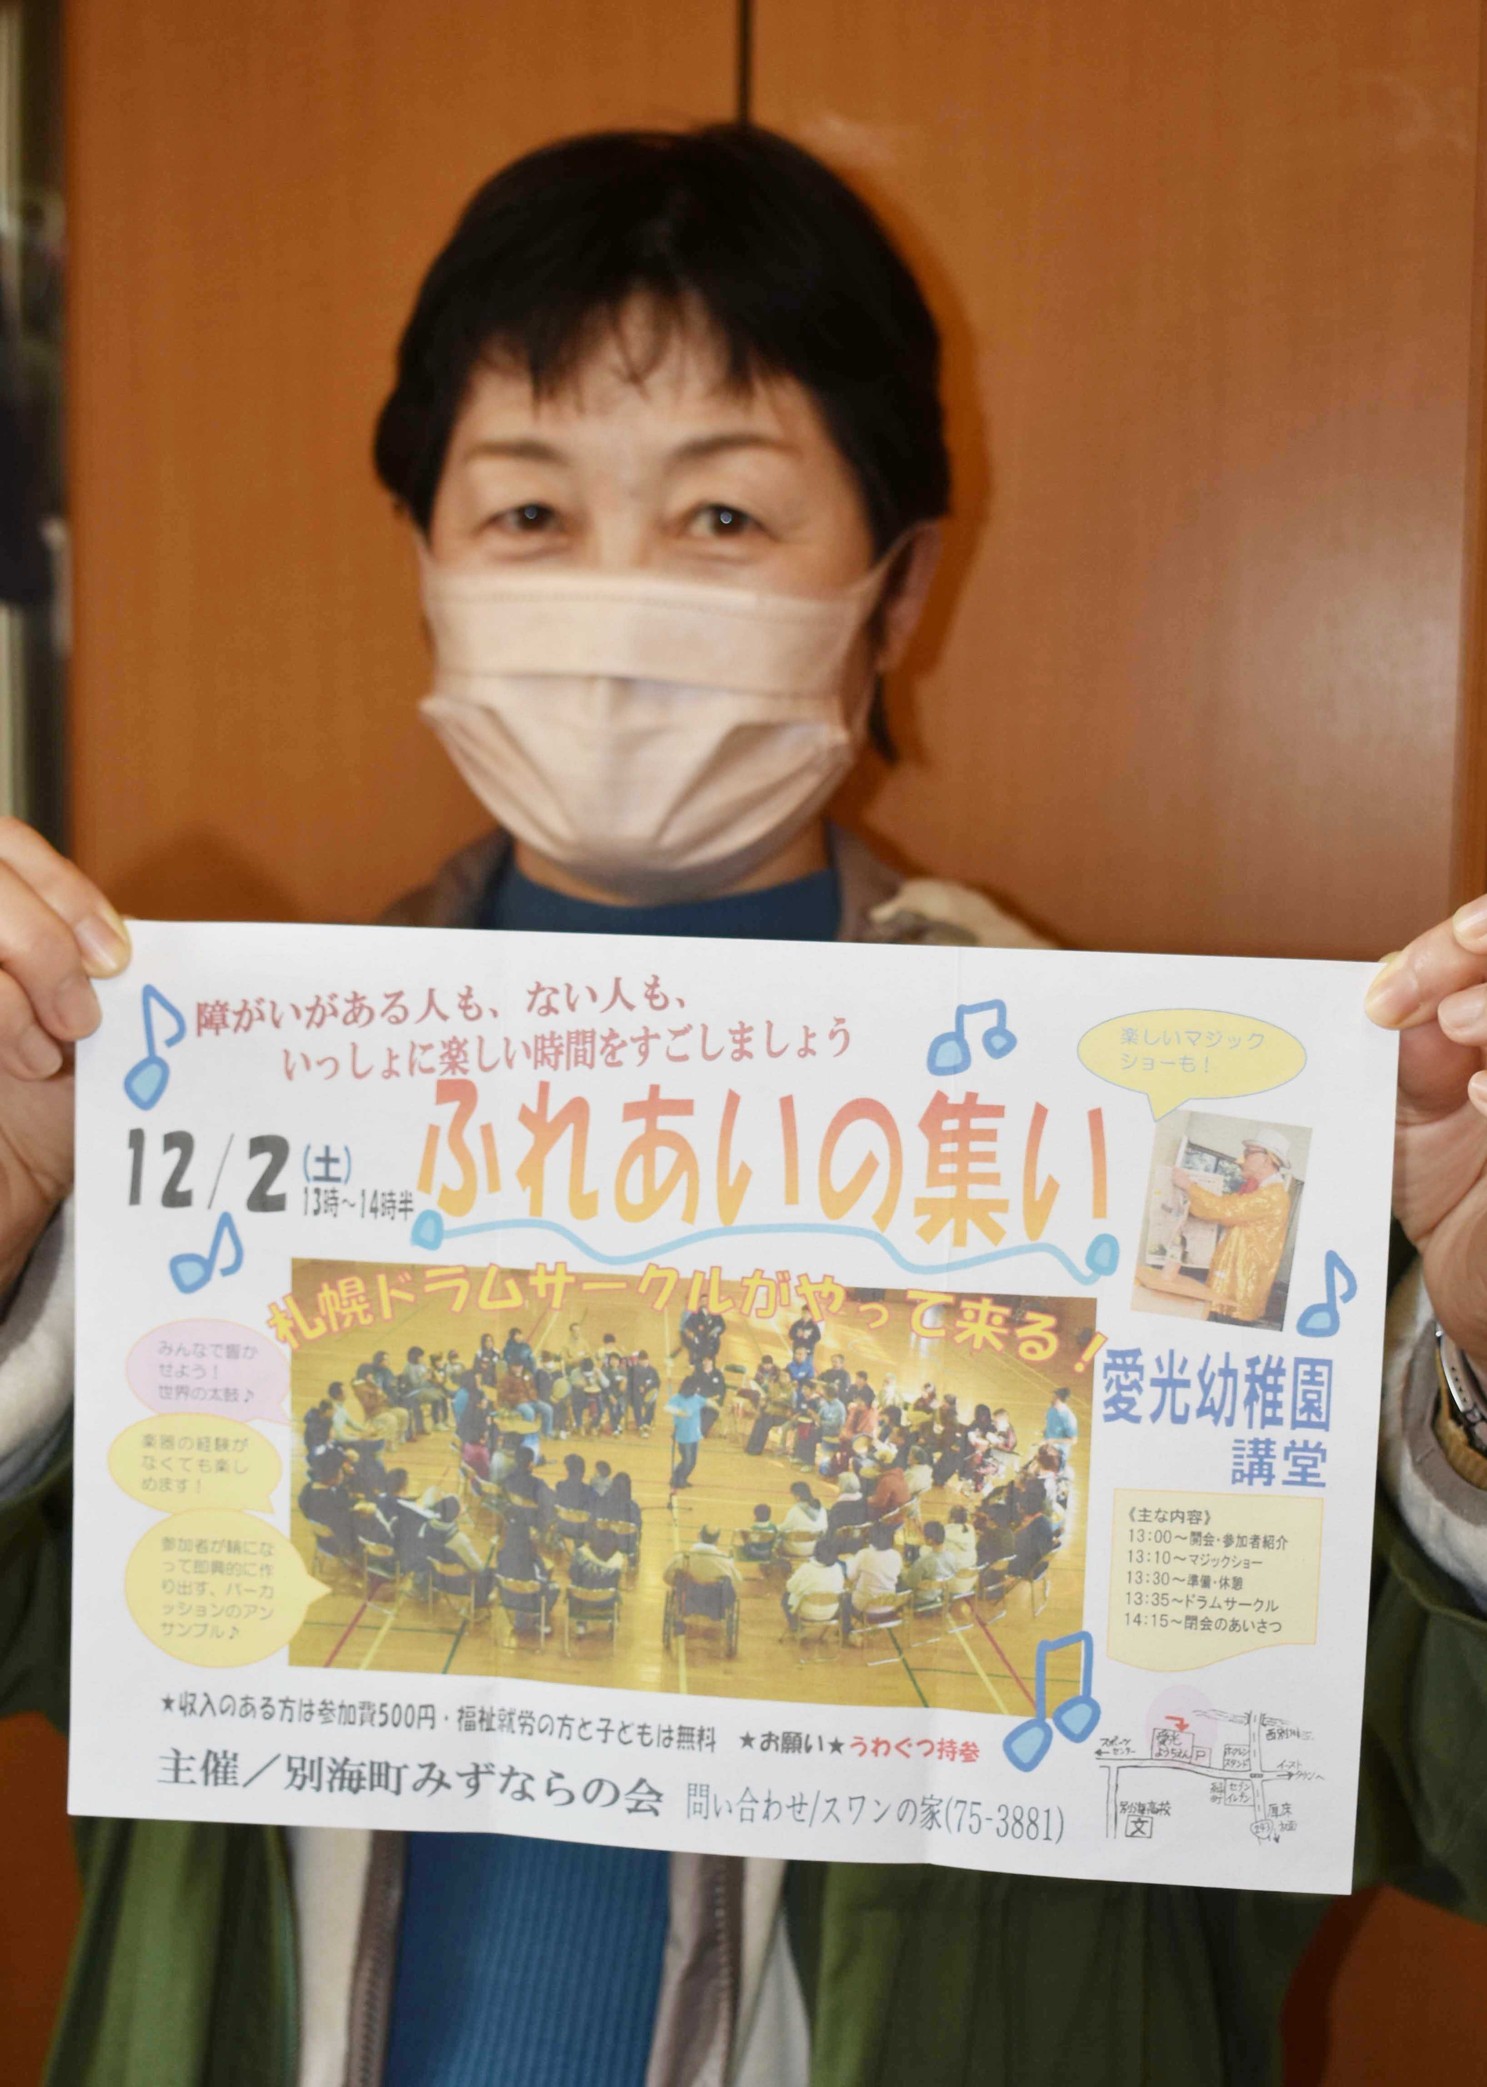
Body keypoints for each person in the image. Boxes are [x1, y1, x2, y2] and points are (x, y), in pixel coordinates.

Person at [2, 121, 1486, 2087]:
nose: (617, 599)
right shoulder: (200, 1110)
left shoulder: (1164, 1161)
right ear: (426, 566)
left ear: (895, 584)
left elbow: (1422, 1776)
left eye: (720, 515)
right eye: (528, 511)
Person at [1172, 1132, 1293, 1324]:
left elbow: (1223, 1210)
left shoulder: (1272, 1197)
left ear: (1266, 1159)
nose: (1240, 1159)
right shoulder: (1262, 1193)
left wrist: (1189, 1186)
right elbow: (1225, 1208)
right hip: (1232, 1290)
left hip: (1237, 1296)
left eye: (1248, 1153)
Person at [662, 1524, 741, 1634]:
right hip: (715, 1606)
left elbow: (667, 1576)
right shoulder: (725, 1562)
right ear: (717, 1541)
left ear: (698, 1536)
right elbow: (737, 1582)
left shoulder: (682, 1558)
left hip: (687, 1601)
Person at [781, 1535, 846, 1632]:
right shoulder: (838, 1568)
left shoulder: (806, 1568)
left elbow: (790, 1586)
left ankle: (796, 1627)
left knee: (786, 1596)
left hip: (807, 1611)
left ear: (815, 1552)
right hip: (831, 1612)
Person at [843, 1521, 904, 1618]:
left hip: (865, 1608)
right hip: (889, 1606)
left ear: (871, 1537)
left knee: (843, 1597)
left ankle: (847, 1627)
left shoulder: (864, 1554)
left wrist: (850, 1561)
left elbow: (851, 1576)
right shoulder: (896, 1555)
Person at [666, 1375, 706, 1490]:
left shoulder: (696, 1398)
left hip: (694, 1435)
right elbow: (667, 1407)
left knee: (692, 1462)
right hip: (683, 1435)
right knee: (687, 1460)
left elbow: (706, 1402)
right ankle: (676, 1478)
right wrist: (679, 1412)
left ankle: (682, 1478)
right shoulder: (677, 1398)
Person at [629, 1348, 660, 1433]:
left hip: (648, 1393)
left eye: (645, 1361)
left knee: (652, 1401)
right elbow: (631, 1382)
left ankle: (647, 1423)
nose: (643, 1363)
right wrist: (638, 1387)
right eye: (641, 1361)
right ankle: (640, 1424)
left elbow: (657, 1382)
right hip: (636, 1395)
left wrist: (648, 1387)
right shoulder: (633, 1370)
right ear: (638, 1361)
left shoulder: (653, 1370)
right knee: (637, 1401)